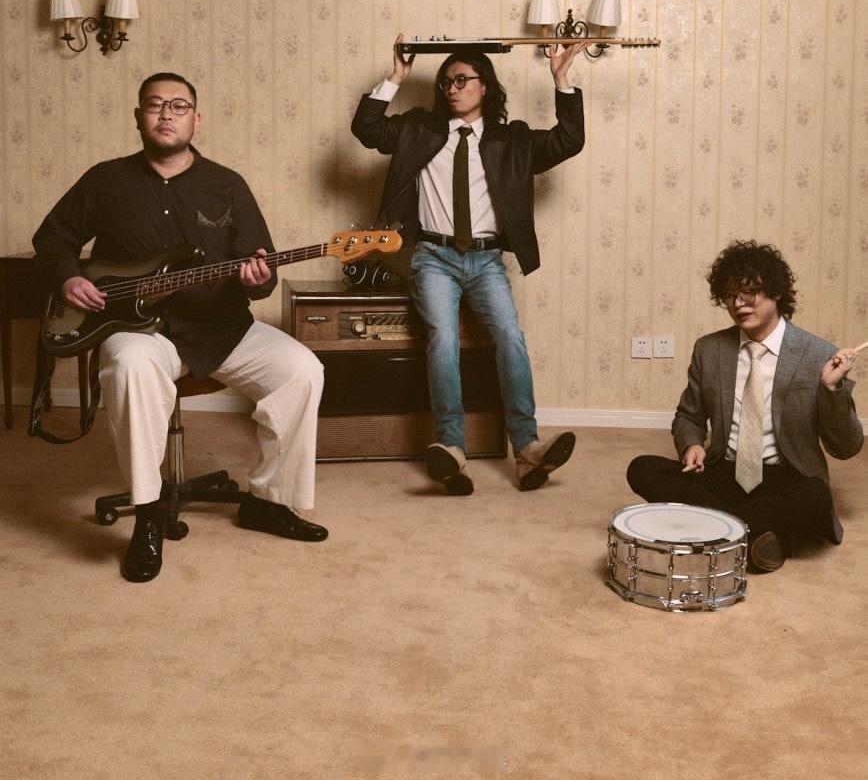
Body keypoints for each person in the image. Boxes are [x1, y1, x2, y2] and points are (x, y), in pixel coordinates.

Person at [33, 72, 327, 583]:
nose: (166, 113)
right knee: (130, 363)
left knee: (302, 370)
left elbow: (261, 273)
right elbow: (52, 238)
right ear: (138, 117)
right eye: (155, 104)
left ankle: (269, 502)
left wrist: (259, 277)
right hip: (141, 329)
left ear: (196, 119)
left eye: (179, 105)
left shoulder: (228, 185)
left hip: (222, 327)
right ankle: (148, 513)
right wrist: (68, 279)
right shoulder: (105, 180)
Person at [351, 34, 585, 495]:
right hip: (433, 258)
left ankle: (527, 449)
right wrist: (397, 75)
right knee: (443, 340)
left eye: (462, 80)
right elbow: (367, 129)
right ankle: (452, 448)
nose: (452, 89)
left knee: (510, 337)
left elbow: (568, 140)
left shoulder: (511, 140)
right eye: (446, 82)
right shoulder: (419, 130)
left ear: (485, 86)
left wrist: (561, 79)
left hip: (486, 260)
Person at [626, 240, 863, 572]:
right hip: (725, 471)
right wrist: (692, 444)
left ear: (776, 291)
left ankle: (717, 529)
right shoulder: (709, 350)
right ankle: (761, 533)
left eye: (748, 293)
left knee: (816, 497)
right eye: (729, 296)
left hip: (787, 477)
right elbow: (688, 416)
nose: (737, 304)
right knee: (641, 468)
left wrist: (831, 388)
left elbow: (846, 447)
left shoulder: (819, 354)